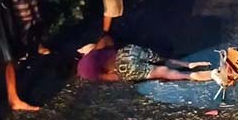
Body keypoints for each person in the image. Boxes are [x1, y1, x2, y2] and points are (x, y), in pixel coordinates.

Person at [77, 35, 213, 82]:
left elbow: (111, 77)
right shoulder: (92, 53)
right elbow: (106, 39)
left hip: (123, 67)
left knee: (161, 71)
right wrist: (112, 49)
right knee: (161, 59)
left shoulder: (85, 73)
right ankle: (188, 64)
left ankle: (189, 75)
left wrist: (126, 77)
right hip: (126, 52)